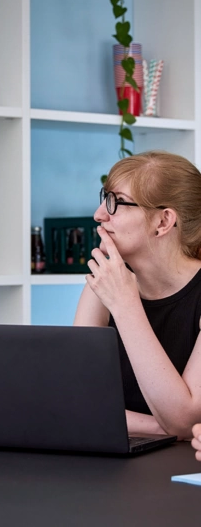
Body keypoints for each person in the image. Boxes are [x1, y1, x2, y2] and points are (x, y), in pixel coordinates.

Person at [74, 150, 201, 440]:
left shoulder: (115, 290)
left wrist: (125, 305)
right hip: (116, 463)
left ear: (163, 221)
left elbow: (183, 420)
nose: (99, 214)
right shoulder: (105, 282)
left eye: (115, 202)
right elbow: (79, 400)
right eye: (104, 197)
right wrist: (159, 426)